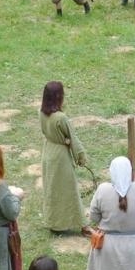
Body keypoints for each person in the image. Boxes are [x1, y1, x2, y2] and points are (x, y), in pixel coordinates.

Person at [39, 81, 92, 236]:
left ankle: (54, 222)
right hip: (61, 157)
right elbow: (72, 138)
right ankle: (82, 224)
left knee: (52, 189)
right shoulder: (61, 118)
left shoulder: (41, 113)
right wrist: (80, 157)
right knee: (69, 190)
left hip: (48, 152)